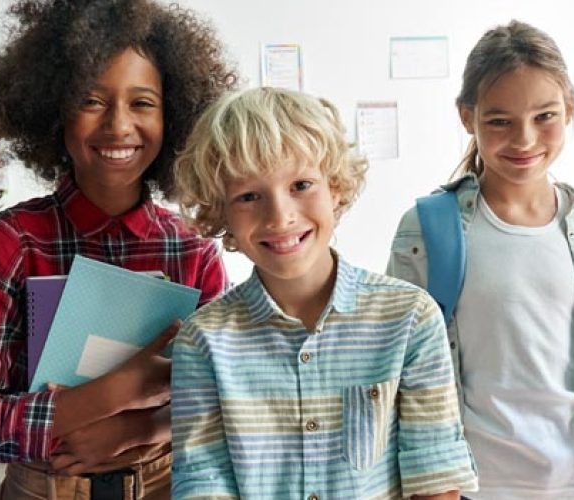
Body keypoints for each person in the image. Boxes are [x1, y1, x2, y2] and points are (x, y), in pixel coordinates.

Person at [0, 0, 237, 498]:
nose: (118, 126)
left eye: (142, 103)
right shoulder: (12, 242)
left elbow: (224, 400)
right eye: (92, 101)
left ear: (174, 116)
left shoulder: (193, 250)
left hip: (167, 483)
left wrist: (140, 429)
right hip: (43, 487)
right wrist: (112, 394)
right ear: (54, 113)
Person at [171, 87, 477, 499]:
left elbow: (435, 481)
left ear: (335, 188)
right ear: (220, 211)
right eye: (248, 196)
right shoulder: (202, 341)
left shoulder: (410, 318)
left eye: (301, 184)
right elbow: (203, 486)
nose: (280, 216)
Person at [387, 20, 574, 500]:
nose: (524, 140)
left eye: (545, 116)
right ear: (467, 117)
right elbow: (400, 369)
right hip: (470, 484)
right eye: (499, 121)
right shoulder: (425, 229)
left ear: (570, 111)